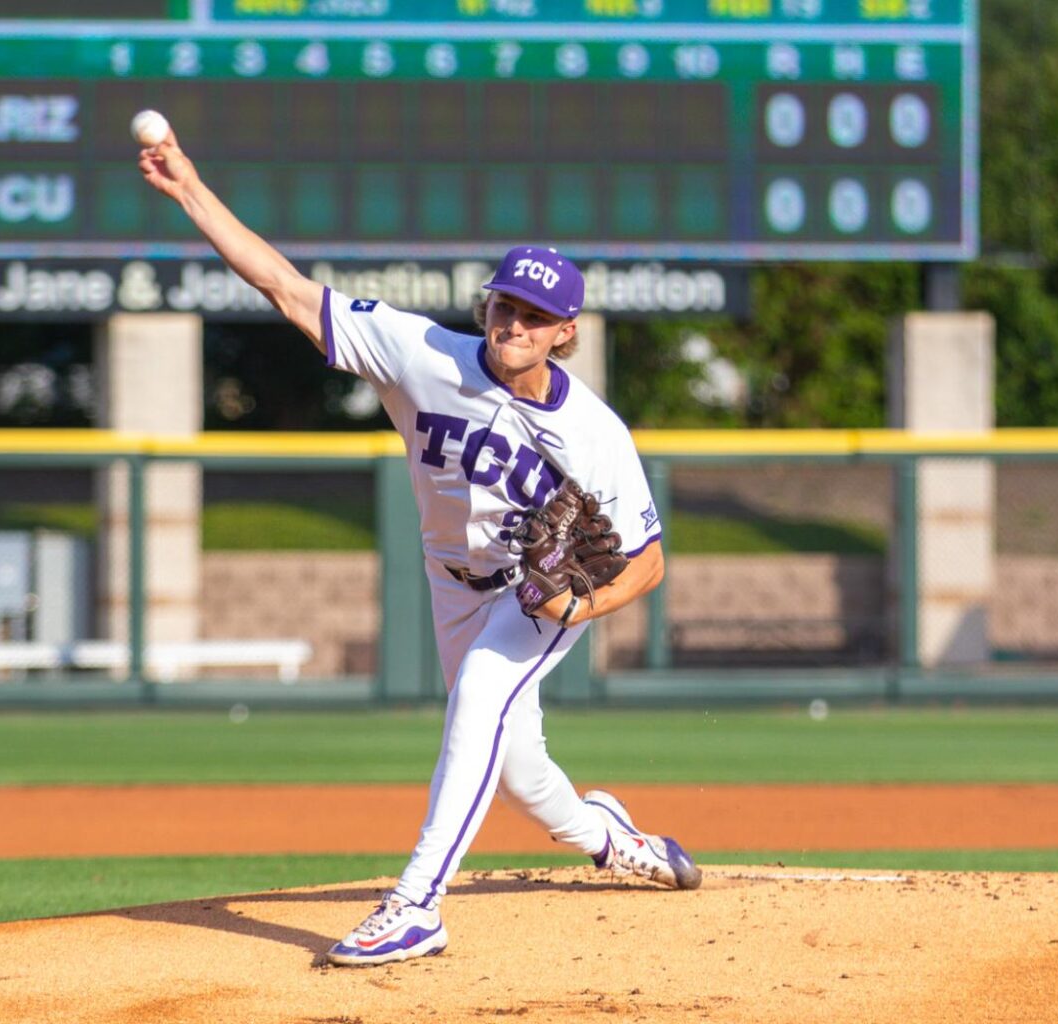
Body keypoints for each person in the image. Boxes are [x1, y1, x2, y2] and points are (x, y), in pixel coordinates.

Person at [137, 129, 700, 967]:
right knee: (517, 772)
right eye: (505, 305)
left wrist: (581, 603)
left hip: (532, 594)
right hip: (450, 584)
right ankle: (611, 839)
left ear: (564, 333)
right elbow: (285, 288)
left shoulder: (595, 434)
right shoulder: (422, 354)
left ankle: (416, 906)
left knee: (478, 698)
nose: (514, 322)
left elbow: (648, 561)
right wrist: (188, 189)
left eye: (534, 316)